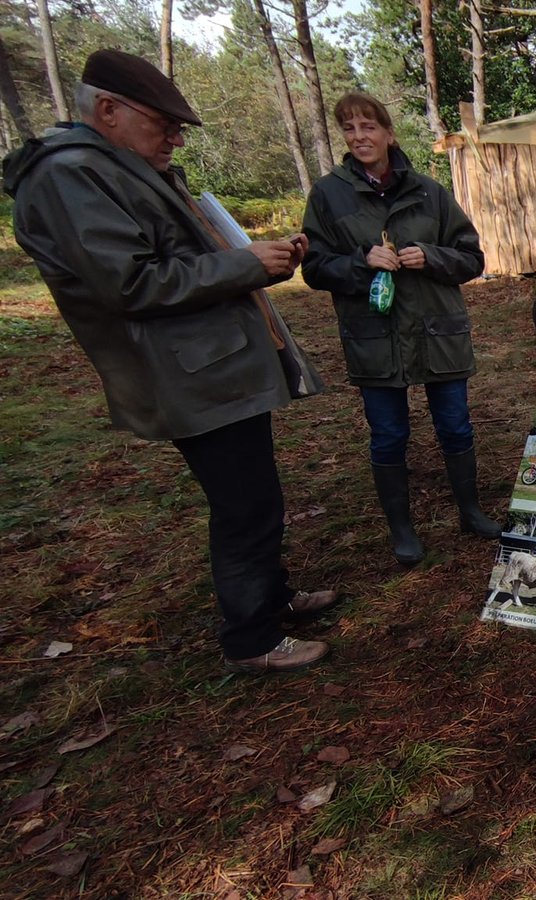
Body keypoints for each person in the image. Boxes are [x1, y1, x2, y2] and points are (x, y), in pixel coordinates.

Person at [2, 49, 338, 674]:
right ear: (108, 110)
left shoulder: (113, 166)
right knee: (244, 504)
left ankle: (270, 596)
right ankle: (252, 639)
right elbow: (128, 283)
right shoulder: (70, 175)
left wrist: (249, 252)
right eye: (164, 124)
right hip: (188, 377)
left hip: (212, 367)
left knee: (256, 496)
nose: (176, 139)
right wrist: (245, 263)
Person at [300, 91, 499, 566]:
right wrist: (359, 262)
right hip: (376, 337)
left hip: (437, 333)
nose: (359, 136)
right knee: (388, 434)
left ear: (389, 133)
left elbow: (472, 258)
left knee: (456, 426)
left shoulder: (430, 191)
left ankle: (471, 512)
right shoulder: (328, 194)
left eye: (368, 127)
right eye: (348, 128)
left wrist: (430, 256)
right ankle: (401, 529)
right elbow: (313, 267)